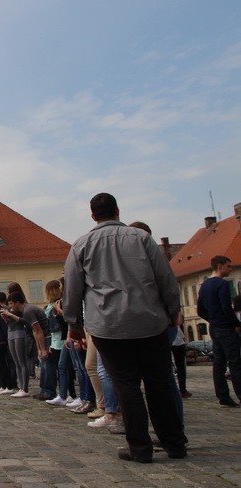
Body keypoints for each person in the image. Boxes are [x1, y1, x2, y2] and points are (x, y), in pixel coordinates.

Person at [63, 192, 186, 463]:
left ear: (93, 216)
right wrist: (173, 311)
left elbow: (72, 290)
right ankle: (175, 444)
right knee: (159, 384)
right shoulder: (141, 238)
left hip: (109, 326)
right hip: (150, 322)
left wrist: (74, 325)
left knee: (126, 386)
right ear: (118, 210)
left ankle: (140, 448)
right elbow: (166, 278)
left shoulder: (81, 245)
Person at [196, 255, 241, 407]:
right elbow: (226, 307)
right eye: (228, 266)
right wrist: (236, 323)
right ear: (219, 266)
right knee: (234, 361)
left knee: (219, 362)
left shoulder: (205, 285)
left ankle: (223, 396)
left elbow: (200, 310)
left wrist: (211, 319)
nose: (230, 269)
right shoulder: (222, 284)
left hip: (214, 327)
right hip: (225, 327)